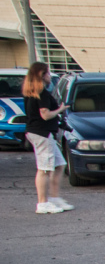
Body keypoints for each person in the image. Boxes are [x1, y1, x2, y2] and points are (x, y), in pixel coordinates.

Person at [22, 61, 72, 214]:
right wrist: (60, 109)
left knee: (59, 165)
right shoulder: (41, 93)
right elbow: (45, 115)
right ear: (42, 75)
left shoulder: (32, 92)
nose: (50, 76)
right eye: (48, 73)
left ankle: (54, 198)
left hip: (40, 132)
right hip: (41, 133)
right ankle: (42, 203)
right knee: (44, 169)